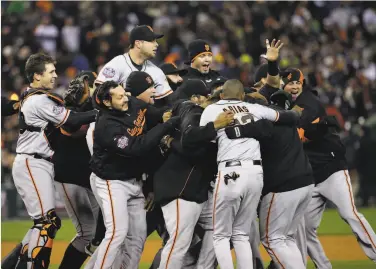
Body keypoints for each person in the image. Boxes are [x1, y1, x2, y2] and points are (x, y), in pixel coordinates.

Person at [199, 79, 300, 269]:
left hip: (230, 171)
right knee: (241, 234)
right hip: (255, 174)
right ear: (242, 96)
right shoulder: (253, 108)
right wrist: (296, 113)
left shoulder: (212, 110)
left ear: (221, 95)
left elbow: (206, 142)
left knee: (221, 235)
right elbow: (286, 117)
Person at [281, 67, 376, 267]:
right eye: (290, 83)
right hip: (311, 176)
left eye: (297, 82)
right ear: (283, 85)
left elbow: (298, 133)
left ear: (303, 83)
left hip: (332, 170)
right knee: (305, 229)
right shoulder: (286, 105)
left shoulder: (309, 102)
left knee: (349, 214)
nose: (294, 86)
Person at [11, 52, 97, 269]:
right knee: (47, 222)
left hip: (38, 162)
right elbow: (72, 120)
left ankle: (12, 264)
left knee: (47, 223)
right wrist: (100, 112)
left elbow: (69, 125)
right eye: (50, 72)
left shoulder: (34, 96)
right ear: (37, 76)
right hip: (33, 161)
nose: (55, 76)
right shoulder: (38, 99)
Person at [85, 78, 180, 269]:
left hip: (133, 181)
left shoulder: (132, 102)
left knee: (137, 237)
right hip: (111, 182)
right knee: (116, 233)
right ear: (106, 102)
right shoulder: (106, 126)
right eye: (119, 97)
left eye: (124, 94)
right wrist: (166, 126)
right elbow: (138, 147)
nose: (125, 99)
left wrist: (172, 112)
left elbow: (156, 114)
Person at [154, 79, 234, 269]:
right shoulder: (192, 109)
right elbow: (190, 146)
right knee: (178, 244)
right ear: (197, 98)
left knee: (220, 228)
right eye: (208, 98)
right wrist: (213, 126)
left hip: (193, 190)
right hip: (179, 189)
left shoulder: (191, 113)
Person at [53, 71, 101, 269]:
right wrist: (96, 110)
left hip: (88, 177)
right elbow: (71, 127)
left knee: (104, 230)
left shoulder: (98, 107)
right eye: (89, 84)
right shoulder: (66, 110)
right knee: (86, 234)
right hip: (69, 176)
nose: (91, 89)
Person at [94, 25, 173, 106]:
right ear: (138, 43)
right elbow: (99, 94)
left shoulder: (157, 72)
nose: (156, 44)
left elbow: (167, 103)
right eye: (152, 41)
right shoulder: (117, 64)